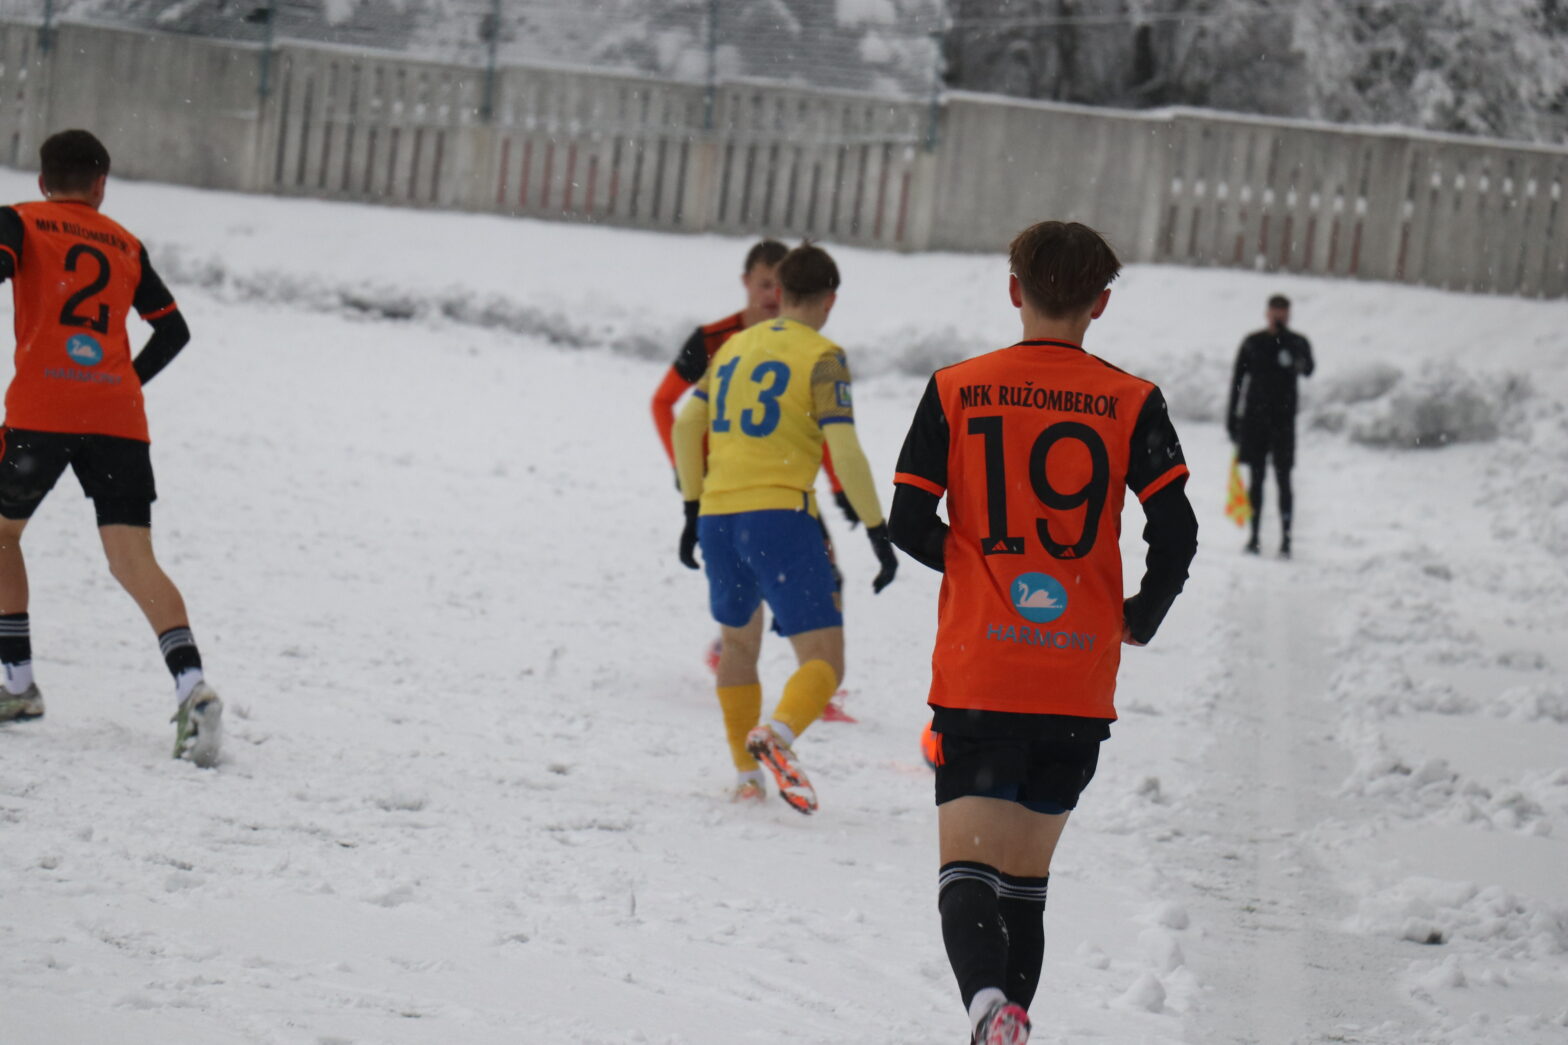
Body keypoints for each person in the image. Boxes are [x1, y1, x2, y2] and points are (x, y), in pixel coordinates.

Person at [888, 221, 1197, 1044]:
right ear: (1100, 304)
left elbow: (907, 518)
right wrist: (1140, 612)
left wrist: (973, 565)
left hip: (982, 671)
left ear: (1014, 289)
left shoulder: (957, 387)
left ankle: (988, 1007)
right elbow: (1178, 528)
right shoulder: (1133, 400)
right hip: (1075, 680)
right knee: (1025, 881)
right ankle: (1011, 1021)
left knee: (966, 870)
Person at [0, 129, 222, 767]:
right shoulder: (124, 241)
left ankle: (17, 685)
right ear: (101, 185)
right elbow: (172, 330)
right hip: (118, 421)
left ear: (43, 182)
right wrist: (121, 382)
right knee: (133, 562)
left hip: (41, 413)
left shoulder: (20, 221)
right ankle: (191, 687)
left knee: (2, 534)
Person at [672, 243, 897, 813]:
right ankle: (777, 735)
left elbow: (686, 424)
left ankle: (747, 776)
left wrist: (691, 510)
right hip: (780, 517)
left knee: (738, 648)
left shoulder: (734, 347)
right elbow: (844, 450)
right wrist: (876, 528)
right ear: (829, 300)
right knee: (825, 659)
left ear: (779, 293)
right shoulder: (823, 356)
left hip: (719, 517)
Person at [650, 239, 856, 676]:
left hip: (783, 486)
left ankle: (820, 679)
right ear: (746, 283)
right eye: (764, 284)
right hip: (722, 487)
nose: (771, 296)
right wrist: (686, 472)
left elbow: (818, 425)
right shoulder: (713, 339)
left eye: (779, 286)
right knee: (751, 573)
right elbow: (663, 404)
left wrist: (839, 485)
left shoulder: (801, 346)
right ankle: (742, 656)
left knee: (822, 567)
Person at [1226, 293, 1313, 557]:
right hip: (1254, 421)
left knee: (1284, 478)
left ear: (1289, 313)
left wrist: (1293, 358)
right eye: (1275, 311)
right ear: (1268, 313)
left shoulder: (1297, 342)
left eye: (1283, 312)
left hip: (1283, 423)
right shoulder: (1253, 342)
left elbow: (1308, 368)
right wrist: (1232, 417)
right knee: (1256, 479)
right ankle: (1254, 537)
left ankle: (1286, 539)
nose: (1279, 316)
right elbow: (1238, 381)